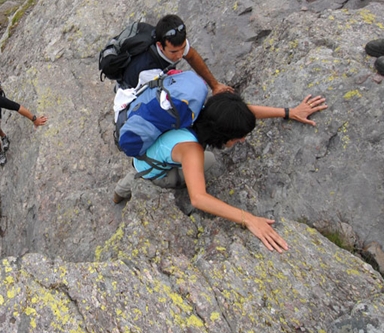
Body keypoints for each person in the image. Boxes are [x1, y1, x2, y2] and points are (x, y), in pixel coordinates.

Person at [113, 93, 328, 253]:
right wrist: (248, 219)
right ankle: (125, 189)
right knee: (209, 161)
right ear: (222, 134)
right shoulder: (192, 151)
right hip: (151, 170)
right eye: (238, 137)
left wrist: (288, 112)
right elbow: (198, 198)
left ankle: (119, 192)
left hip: (145, 155)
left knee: (136, 175)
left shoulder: (201, 110)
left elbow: (242, 113)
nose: (242, 140)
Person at [120, 14, 233, 93]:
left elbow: (192, 56)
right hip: (136, 91)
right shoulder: (148, 71)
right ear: (160, 45)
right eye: (174, 52)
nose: (180, 55)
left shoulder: (173, 42)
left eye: (182, 48)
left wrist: (215, 85)